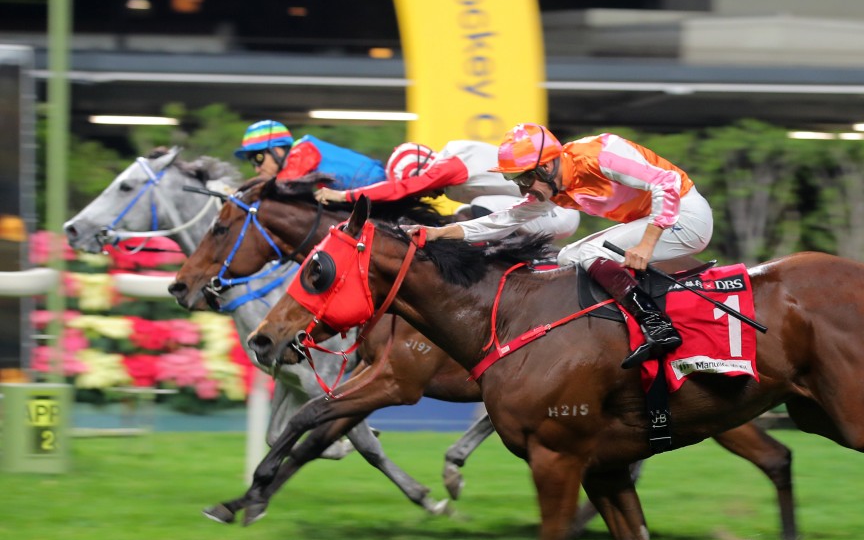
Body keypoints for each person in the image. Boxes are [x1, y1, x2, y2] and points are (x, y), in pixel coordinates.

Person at [411, 123, 713, 368]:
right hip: (657, 221)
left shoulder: (601, 155)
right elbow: (502, 220)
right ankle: (626, 326)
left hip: (687, 217)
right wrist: (438, 233)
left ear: (546, 168)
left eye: (524, 179)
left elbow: (667, 183)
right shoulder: (557, 187)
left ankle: (657, 325)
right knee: (569, 256)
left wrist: (647, 244)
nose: (522, 188)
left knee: (590, 253)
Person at [314, 140, 579, 240]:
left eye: (422, 191)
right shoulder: (450, 173)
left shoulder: (452, 163)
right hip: (538, 215)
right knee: (463, 213)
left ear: (424, 169)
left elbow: (406, 187)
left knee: (478, 208)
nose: (425, 196)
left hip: (559, 213)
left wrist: (342, 196)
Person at [233, 119, 385, 190]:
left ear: (277, 150)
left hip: (378, 188)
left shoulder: (303, 151)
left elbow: (281, 185)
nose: (257, 169)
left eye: (258, 159)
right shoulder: (302, 153)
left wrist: (244, 191)